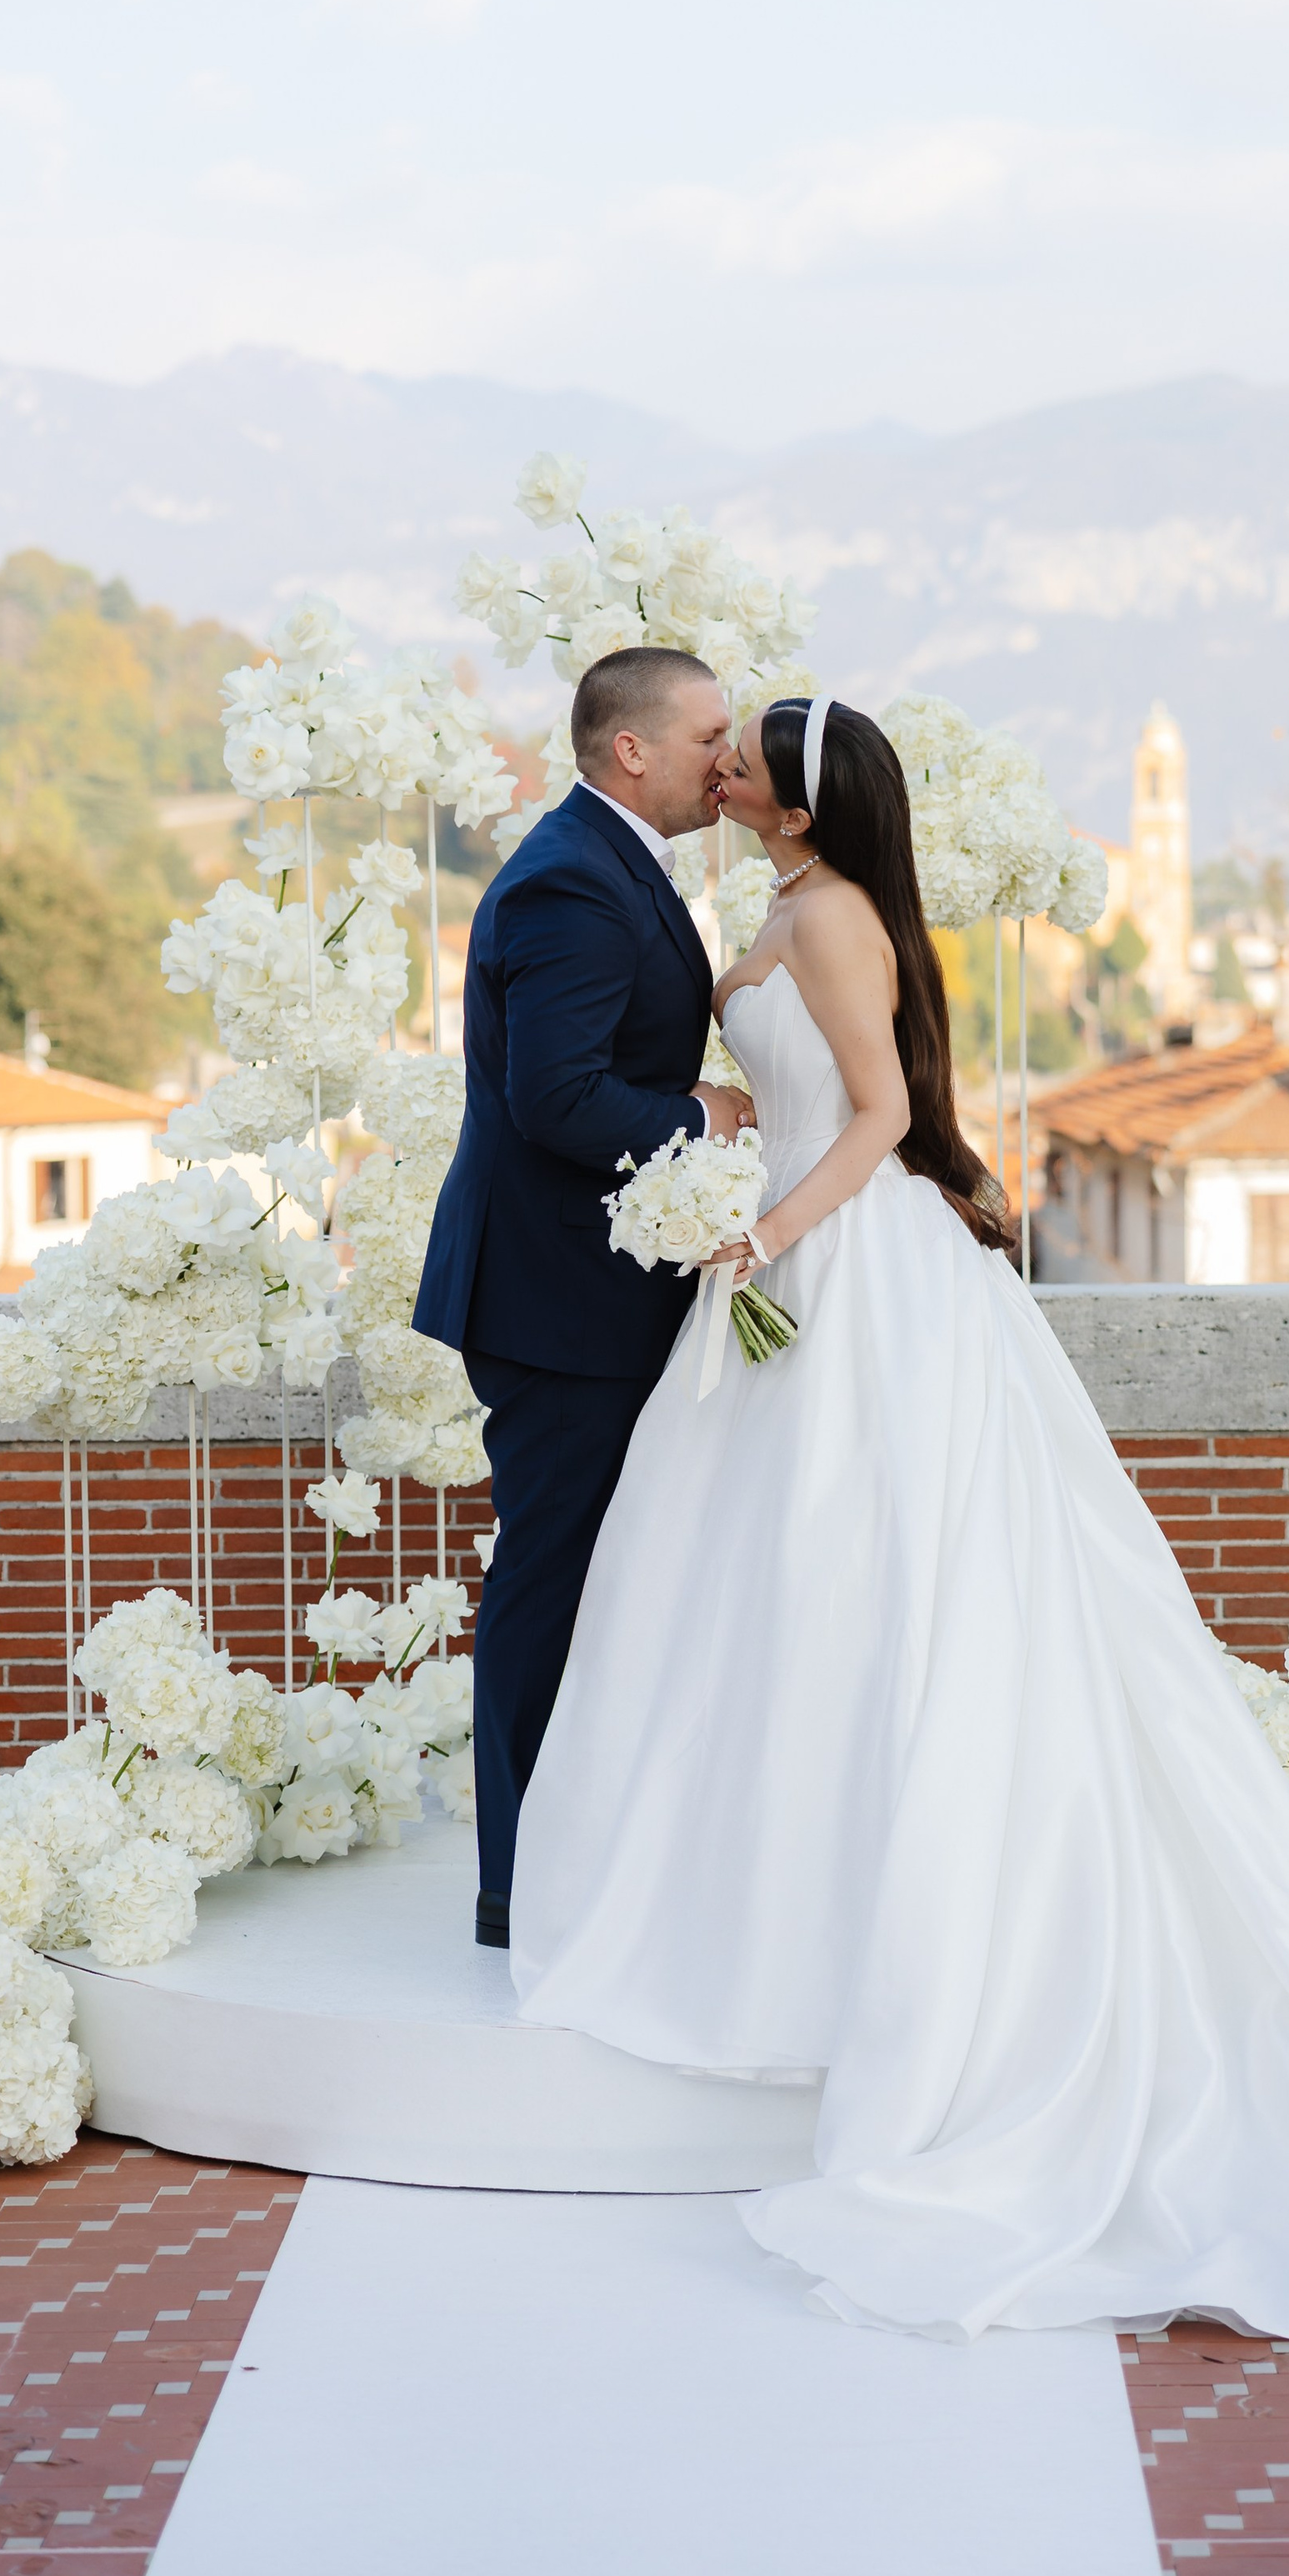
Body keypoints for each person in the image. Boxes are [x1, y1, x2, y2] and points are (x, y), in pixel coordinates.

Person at [505, 690, 1289, 2342]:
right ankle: (775, 1932)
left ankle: (910, 1973)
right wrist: (732, 1148)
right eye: (719, 742)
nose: (723, 760)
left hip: (850, 1282)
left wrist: (758, 1236)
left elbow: (882, 1125)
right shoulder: (786, 904)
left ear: (805, 805)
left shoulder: (821, 917)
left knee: (872, 1595)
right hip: (805, 1275)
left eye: (748, 751)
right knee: (778, 1604)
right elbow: (818, 1100)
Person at [412, 648, 752, 1948]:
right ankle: (523, 1888)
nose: (725, 758)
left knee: (602, 1577)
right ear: (632, 751)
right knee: (551, 1585)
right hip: (560, 1303)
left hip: (594, 1292)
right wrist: (701, 1115)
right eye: (709, 734)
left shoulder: (612, 862)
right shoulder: (569, 880)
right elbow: (558, 1099)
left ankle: (580, 1859)